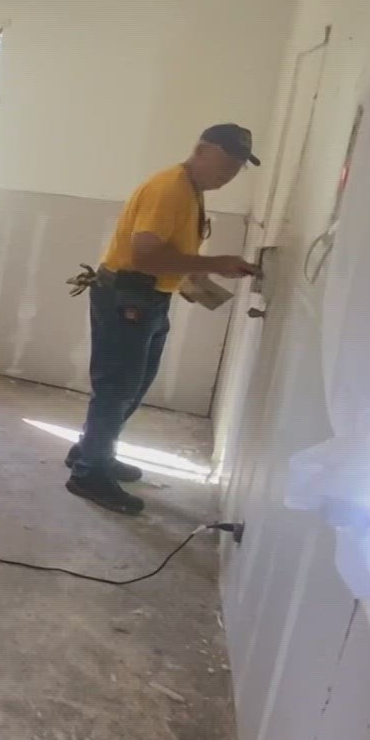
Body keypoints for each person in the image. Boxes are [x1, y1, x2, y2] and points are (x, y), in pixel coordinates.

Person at [66, 123, 261, 515]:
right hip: (130, 294)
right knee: (118, 389)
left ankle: (91, 452)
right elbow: (145, 255)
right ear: (202, 149)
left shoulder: (190, 190)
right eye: (225, 166)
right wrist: (215, 264)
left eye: (238, 169)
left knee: (131, 386)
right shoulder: (171, 189)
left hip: (147, 295)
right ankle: (88, 473)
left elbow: (166, 252)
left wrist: (194, 277)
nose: (229, 176)